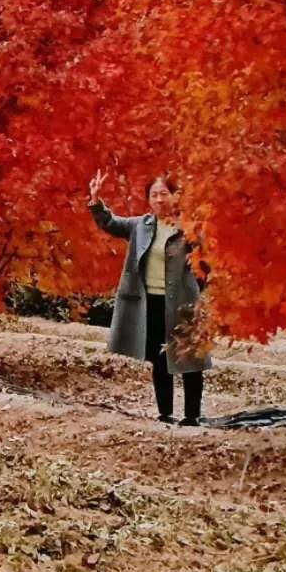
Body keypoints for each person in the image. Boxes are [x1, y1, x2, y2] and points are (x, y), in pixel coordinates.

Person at [88, 170, 209, 426]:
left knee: (189, 359)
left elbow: (206, 263)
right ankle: (165, 413)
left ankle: (192, 416)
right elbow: (110, 223)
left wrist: (196, 289)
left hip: (183, 303)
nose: (159, 199)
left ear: (175, 197)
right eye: (154, 195)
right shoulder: (140, 226)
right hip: (151, 302)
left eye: (164, 194)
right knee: (159, 359)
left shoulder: (189, 229)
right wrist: (96, 201)